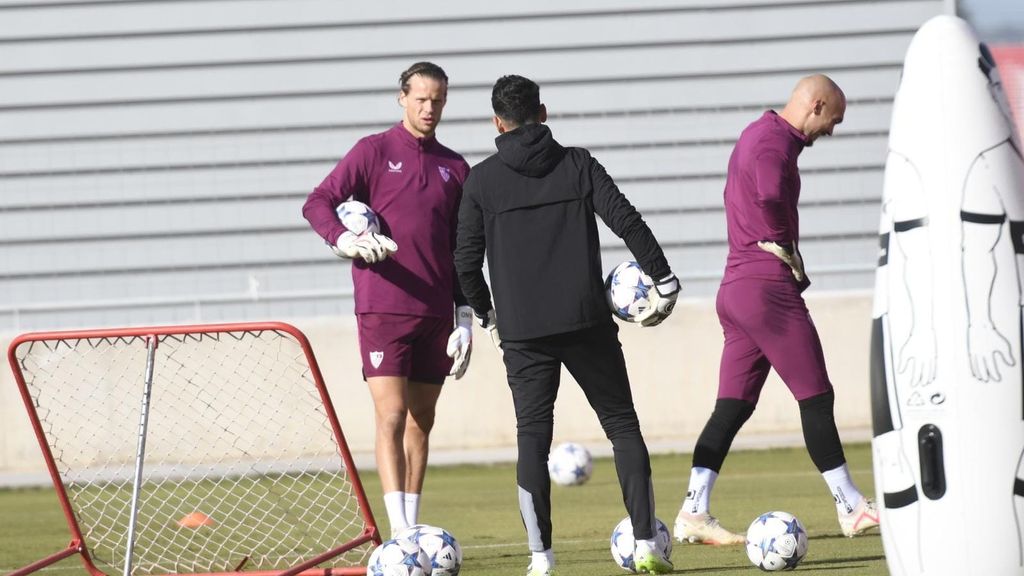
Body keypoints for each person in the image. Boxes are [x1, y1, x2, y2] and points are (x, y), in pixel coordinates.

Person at [454, 74, 680, 576]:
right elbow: (626, 219)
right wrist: (663, 278)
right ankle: (646, 544)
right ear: (544, 112)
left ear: (497, 122)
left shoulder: (482, 180)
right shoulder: (577, 163)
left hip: (522, 333)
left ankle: (541, 559)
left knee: (532, 437)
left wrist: (487, 313)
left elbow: (465, 261)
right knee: (622, 426)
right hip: (586, 322)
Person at [672, 74, 880, 545]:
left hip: (736, 289)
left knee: (732, 407)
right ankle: (851, 506)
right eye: (834, 119)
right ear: (817, 105)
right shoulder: (774, 143)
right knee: (816, 395)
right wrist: (782, 246)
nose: (834, 129)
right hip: (766, 288)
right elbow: (766, 193)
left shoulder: (756, 132)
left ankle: (693, 511)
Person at [302, 61, 473, 537]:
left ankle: (412, 529)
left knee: (423, 421)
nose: (429, 108)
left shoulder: (456, 167)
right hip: (383, 306)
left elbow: (463, 247)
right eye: (420, 99)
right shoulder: (373, 151)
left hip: (437, 311)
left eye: (437, 100)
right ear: (402, 97)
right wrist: (343, 240)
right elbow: (317, 201)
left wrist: (465, 314)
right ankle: (399, 534)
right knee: (391, 415)